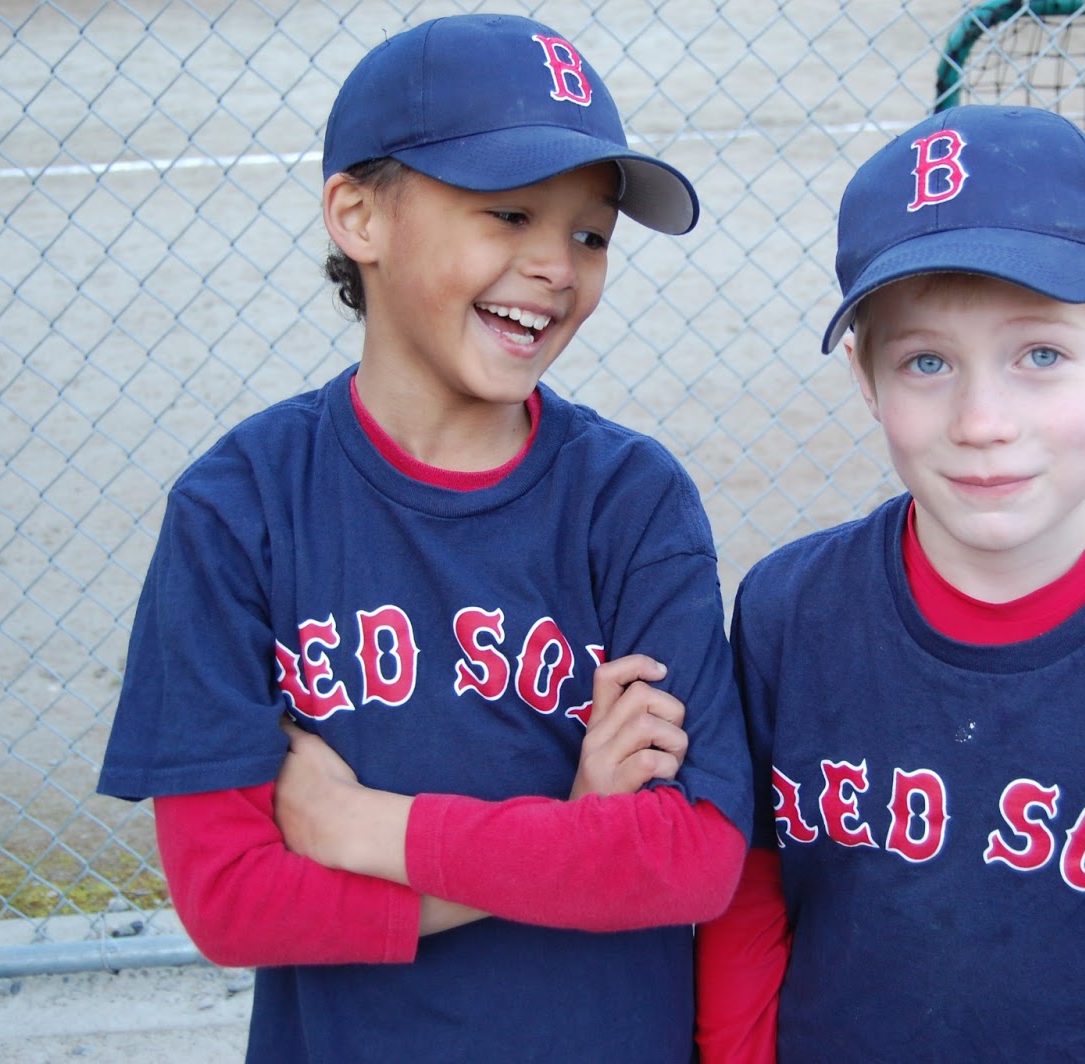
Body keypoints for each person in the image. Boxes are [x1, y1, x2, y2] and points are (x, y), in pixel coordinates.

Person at [95, 14, 752, 1063]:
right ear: (359, 215)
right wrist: (568, 834)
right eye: (509, 212)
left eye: (591, 234)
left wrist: (371, 830)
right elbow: (231, 899)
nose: (557, 265)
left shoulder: (629, 499)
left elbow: (689, 859)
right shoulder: (241, 507)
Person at [693, 104, 1085, 1063]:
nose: (982, 420)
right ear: (867, 380)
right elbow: (748, 879)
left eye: (1041, 355)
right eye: (926, 361)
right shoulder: (792, 610)